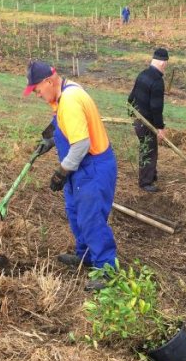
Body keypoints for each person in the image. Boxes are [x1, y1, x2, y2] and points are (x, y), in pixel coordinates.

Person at [23, 61, 117, 290]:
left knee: (91, 217)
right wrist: (51, 139)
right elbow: (65, 126)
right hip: (80, 168)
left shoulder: (70, 102)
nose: (37, 95)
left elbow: (81, 144)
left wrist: (61, 171)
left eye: (37, 90)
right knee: (75, 212)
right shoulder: (64, 92)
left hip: (92, 167)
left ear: (48, 81)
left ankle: (106, 270)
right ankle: (85, 256)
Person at [127, 48, 169, 193]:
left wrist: (131, 113)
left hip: (138, 119)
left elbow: (131, 97)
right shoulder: (157, 81)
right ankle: (145, 182)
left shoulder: (142, 74)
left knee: (150, 148)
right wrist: (160, 127)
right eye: (166, 65)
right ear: (163, 64)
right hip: (146, 123)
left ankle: (151, 174)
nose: (166, 68)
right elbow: (156, 108)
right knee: (149, 150)